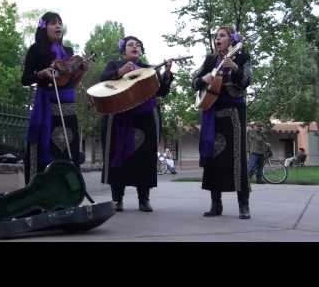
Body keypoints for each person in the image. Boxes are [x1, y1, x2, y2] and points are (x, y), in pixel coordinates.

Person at [101, 36, 174, 212]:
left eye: (138, 45)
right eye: (131, 45)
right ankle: (117, 199)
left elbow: (161, 91)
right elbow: (102, 82)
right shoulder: (114, 65)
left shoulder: (149, 69)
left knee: (145, 158)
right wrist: (120, 72)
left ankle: (144, 199)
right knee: (118, 157)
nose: (135, 47)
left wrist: (167, 74)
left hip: (146, 120)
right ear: (123, 50)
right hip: (119, 119)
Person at [192, 26, 252, 219]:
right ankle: (215, 205)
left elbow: (246, 81)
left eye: (222, 35)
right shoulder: (210, 60)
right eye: (216, 36)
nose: (218, 38)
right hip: (211, 113)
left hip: (233, 113)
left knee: (237, 158)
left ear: (231, 40)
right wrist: (204, 78)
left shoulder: (242, 57)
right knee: (213, 158)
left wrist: (234, 68)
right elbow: (194, 81)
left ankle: (244, 205)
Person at [21, 12, 88, 184]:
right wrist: (41, 74)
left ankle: (69, 194)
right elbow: (25, 79)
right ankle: (39, 192)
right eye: (52, 23)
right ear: (44, 27)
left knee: (68, 150)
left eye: (60, 23)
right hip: (47, 107)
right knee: (47, 149)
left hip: (69, 109)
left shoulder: (68, 51)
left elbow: (70, 84)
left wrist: (81, 73)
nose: (58, 26)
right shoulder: (36, 49)